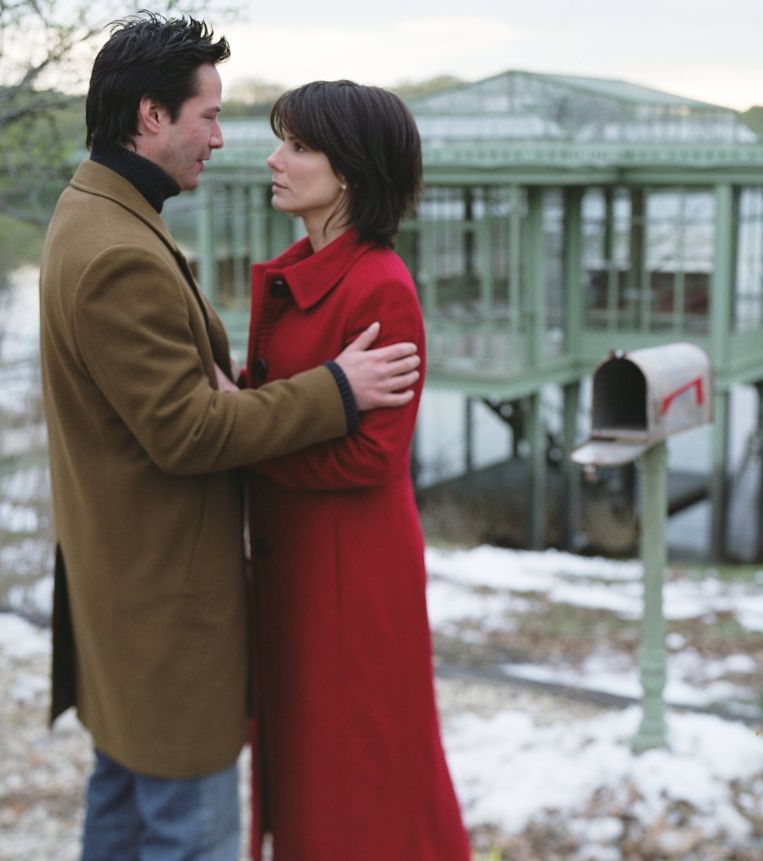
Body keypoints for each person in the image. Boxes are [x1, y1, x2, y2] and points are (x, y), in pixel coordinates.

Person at [38, 16, 420, 861]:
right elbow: (185, 430)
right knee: (189, 834)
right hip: (165, 609)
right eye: (208, 115)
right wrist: (334, 391)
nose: (223, 138)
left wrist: (239, 396)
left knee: (125, 808)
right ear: (151, 116)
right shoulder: (119, 251)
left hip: (126, 588)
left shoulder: (93, 209)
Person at [244, 81, 471, 860]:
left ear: (347, 172)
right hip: (306, 560)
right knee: (313, 760)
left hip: (351, 575)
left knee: (357, 767)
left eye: (298, 146)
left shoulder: (379, 285)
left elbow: (374, 452)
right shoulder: (310, 268)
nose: (274, 159)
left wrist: (242, 435)